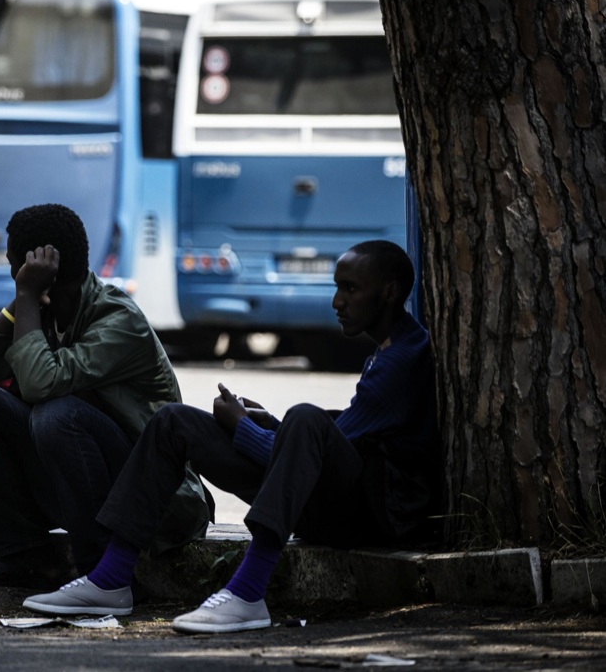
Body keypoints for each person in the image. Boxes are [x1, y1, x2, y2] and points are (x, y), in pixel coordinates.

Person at [23, 239, 439, 632]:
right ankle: (111, 579)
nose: (337, 302)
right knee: (173, 421)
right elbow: (343, 435)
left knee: (305, 417)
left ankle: (248, 592)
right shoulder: (389, 346)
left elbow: (331, 443)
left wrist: (243, 428)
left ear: (389, 292)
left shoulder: (404, 356)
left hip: (372, 520)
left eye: (350, 289)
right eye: (336, 288)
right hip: (333, 498)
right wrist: (268, 424)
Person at [0, 203, 211, 589]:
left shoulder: (119, 319)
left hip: (158, 499)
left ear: (35, 269)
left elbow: (40, 384)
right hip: (88, 482)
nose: (11, 270)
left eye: (14, 264)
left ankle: (101, 572)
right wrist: (18, 308)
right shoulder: (41, 313)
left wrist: (28, 296)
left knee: (56, 414)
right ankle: (24, 557)